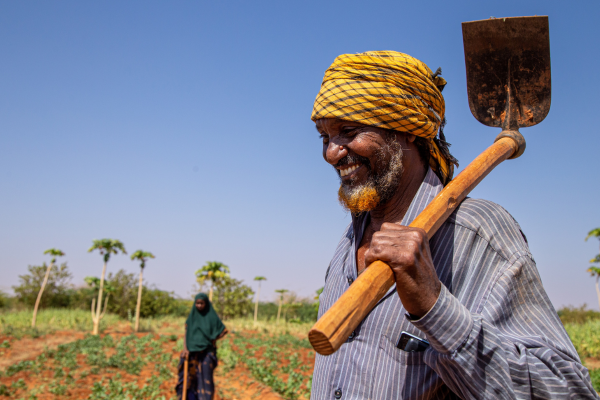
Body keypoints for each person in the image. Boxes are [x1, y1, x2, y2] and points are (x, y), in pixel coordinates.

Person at [310, 51, 597, 399]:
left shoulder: (476, 231)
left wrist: (433, 305)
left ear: (408, 131)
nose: (331, 153)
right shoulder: (352, 235)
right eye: (325, 137)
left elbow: (570, 392)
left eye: (349, 131)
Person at [176, 293, 228, 400]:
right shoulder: (192, 317)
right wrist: (185, 349)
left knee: (205, 381)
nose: (199, 305)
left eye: (202, 303)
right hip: (191, 354)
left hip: (206, 354)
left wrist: (213, 339)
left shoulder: (211, 316)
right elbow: (186, 332)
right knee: (189, 381)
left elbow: (223, 330)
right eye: (197, 303)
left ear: (206, 303)